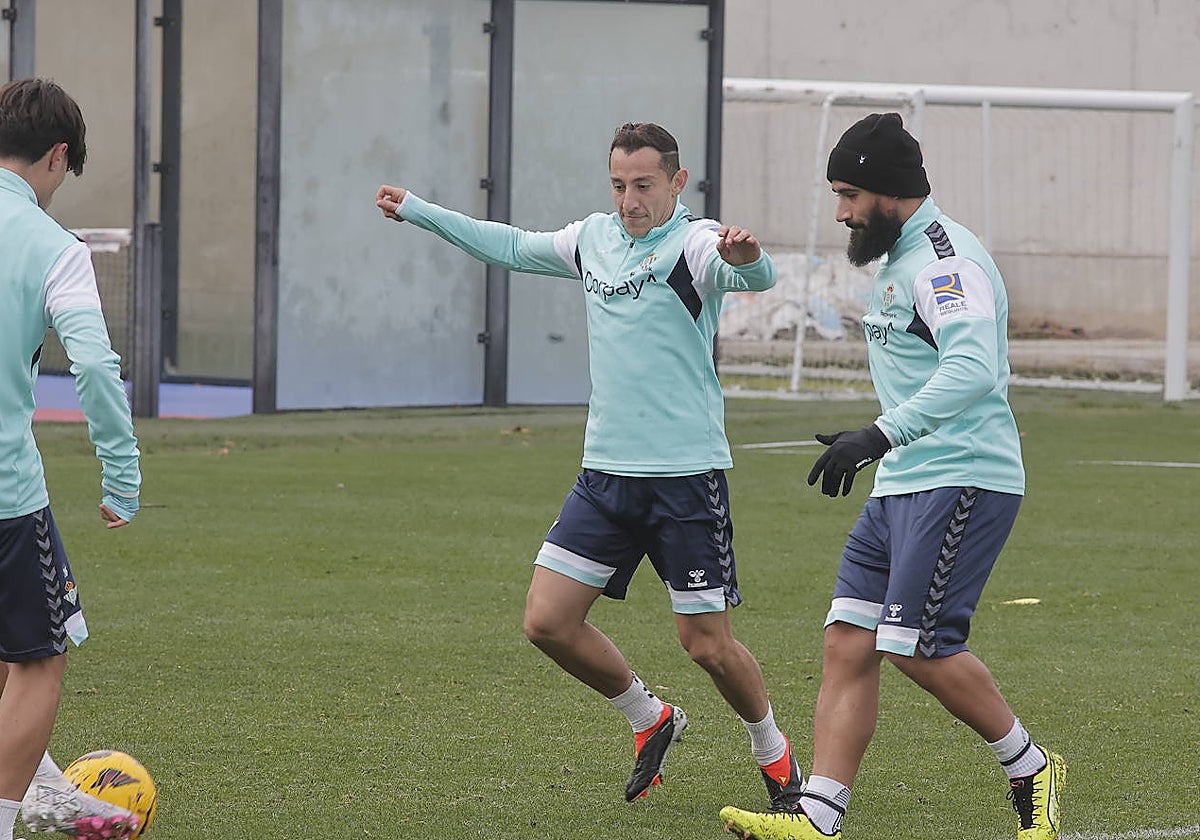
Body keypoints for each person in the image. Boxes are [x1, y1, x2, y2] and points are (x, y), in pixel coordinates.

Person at [375, 122, 804, 809]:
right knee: (547, 622)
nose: (629, 199)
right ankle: (650, 716)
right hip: (605, 475)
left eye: (643, 185)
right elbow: (512, 247)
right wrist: (422, 211)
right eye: (618, 185)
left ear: (675, 182)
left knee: (706, 645)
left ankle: (775, 756)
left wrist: (750, 257)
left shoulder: (694, 245)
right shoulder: (594, 239)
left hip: (685, 479)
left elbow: (752, 274)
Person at [719, 113, 1065, 840]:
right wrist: (887, 446)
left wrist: (879, 434)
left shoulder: (943, 261)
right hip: (905, 481)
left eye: (848, 194)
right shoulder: (900, 258)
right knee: (849, 640)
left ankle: (1031, 766)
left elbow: (972, 369)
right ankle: (818, 815)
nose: (841, 211)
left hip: (963, 476)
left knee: (921, 648)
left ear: (889, 190)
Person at [0, 78, 143, 840]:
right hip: (3, 495)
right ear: (58, 156)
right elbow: (92, 365)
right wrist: (122, 475)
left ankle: (47, 790)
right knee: (39, 659)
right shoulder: (55, 248)